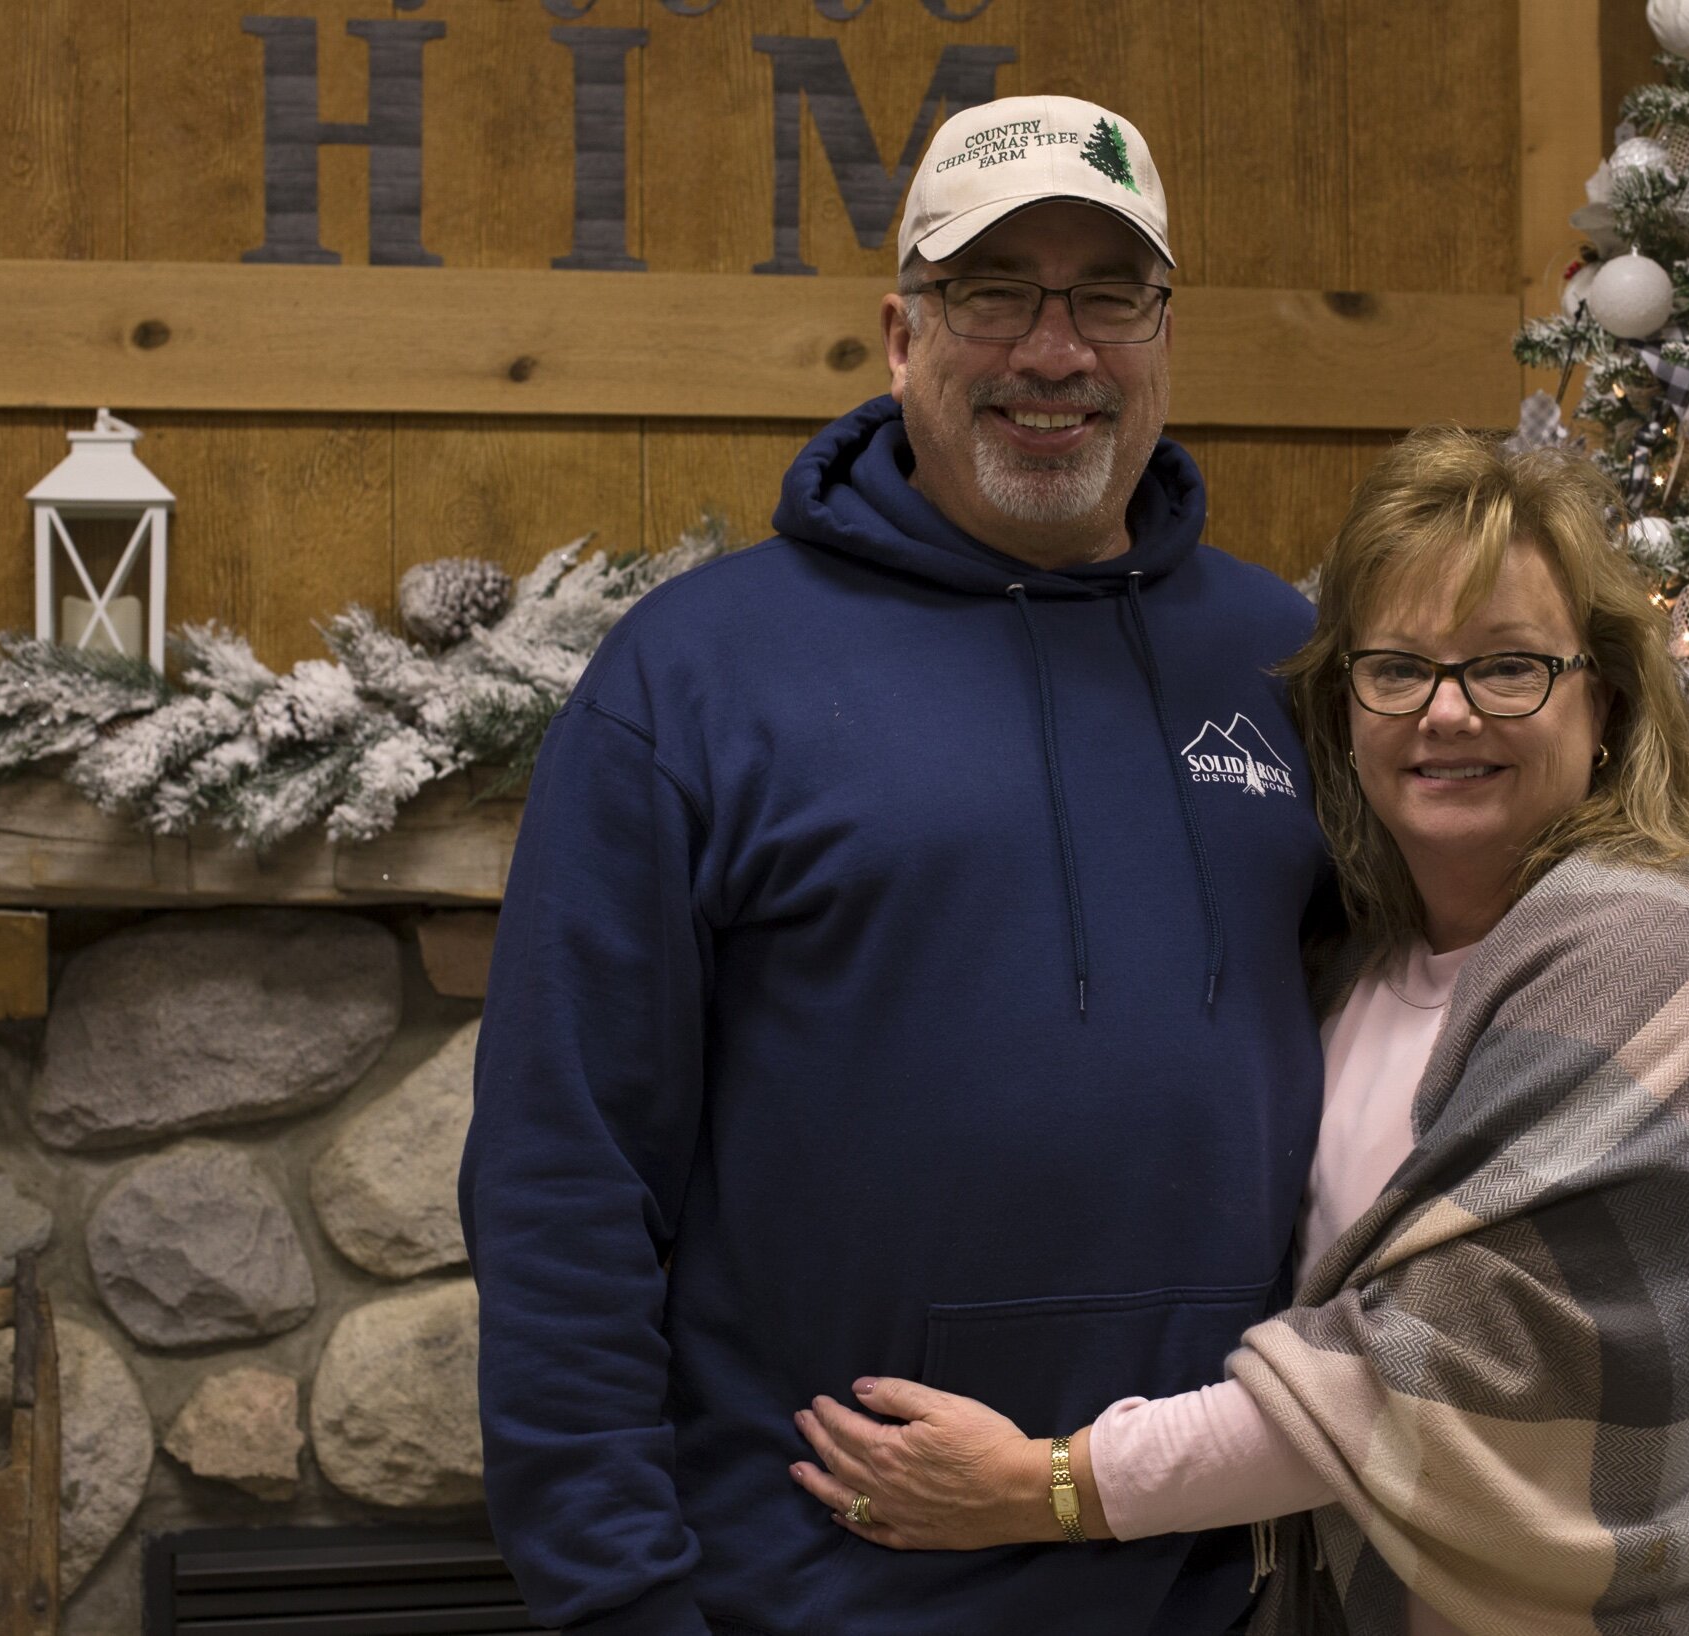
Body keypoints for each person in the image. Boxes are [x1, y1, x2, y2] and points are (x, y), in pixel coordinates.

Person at [786, 430, 1689, 1635]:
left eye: (1508, 667)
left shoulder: (1639, 951)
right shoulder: (1356, 964)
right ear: (1345, 704)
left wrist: (1051, 1486)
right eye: (1399, 669)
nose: (1447, 712)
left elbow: (1414, 1373)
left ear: (1606, 704)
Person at [459, 95, 1332, 1636]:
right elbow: (563, 1181)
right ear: (901, 334)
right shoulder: (696, 680)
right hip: (807, 1594)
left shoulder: (1291, 669)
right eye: (993, 292)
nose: (1052, 353)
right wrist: (618, 1604)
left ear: (1163, 333)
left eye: (1106, 295)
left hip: (1215, 1588)